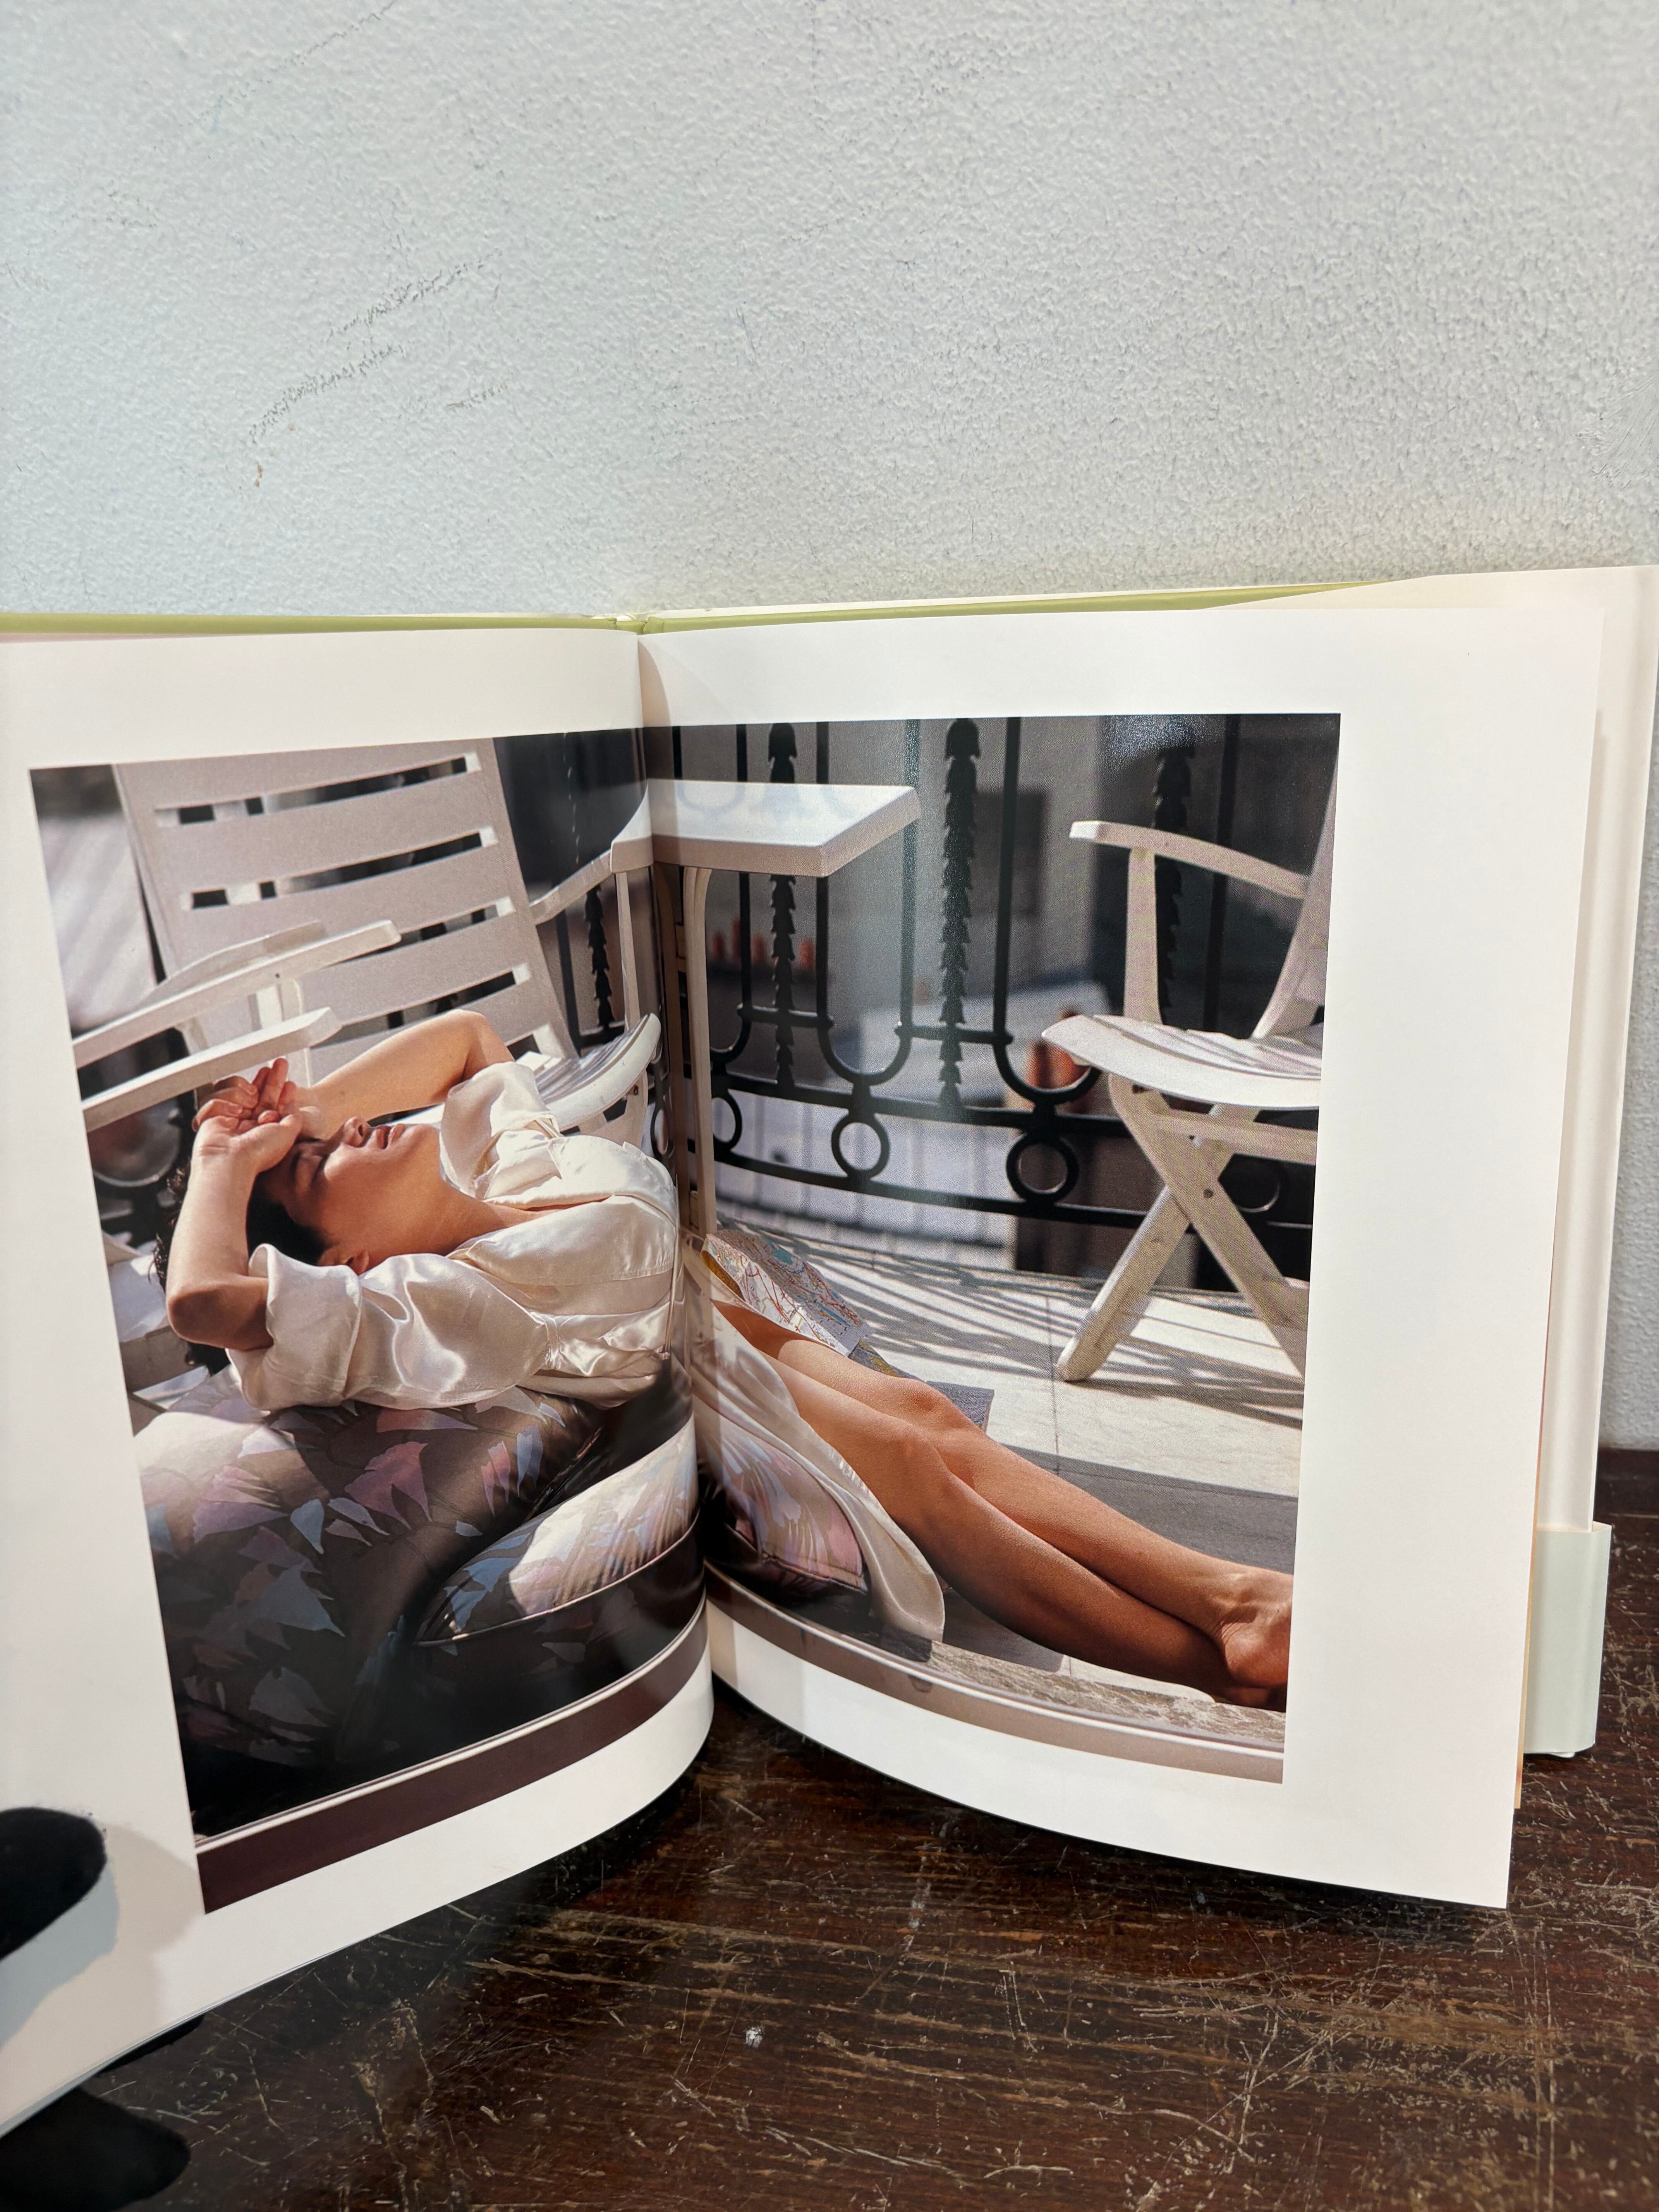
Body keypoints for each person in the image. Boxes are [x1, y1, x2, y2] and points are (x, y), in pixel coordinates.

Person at [162, 1012, 1289, 1707]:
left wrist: (305, 1106)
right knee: (909, 1461)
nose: (340, 1135)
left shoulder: (504, 1172)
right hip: (698, 1384)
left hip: (716, 1316)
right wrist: (223, 1159)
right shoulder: (435, 1296)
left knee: (925, 1414)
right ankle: (1220, 1657)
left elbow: (463, 1037)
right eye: (315, 1167)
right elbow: (206, 1303)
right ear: (347, 1261)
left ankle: (1229, 1594)